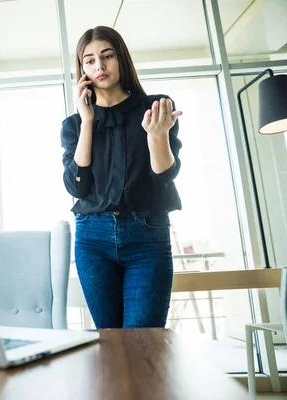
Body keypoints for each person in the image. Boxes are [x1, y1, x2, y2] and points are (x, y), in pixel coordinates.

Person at [60, 26, 183, 329]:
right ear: (82, 70)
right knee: (110, 341)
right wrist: (88, 121)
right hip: (93, 238)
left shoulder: (154, 107)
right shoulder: (74, 124)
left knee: (143, 340)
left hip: (147, 235)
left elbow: (165, 176)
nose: (99, 66)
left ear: (121, 58)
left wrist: (157, 136)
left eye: (107, 56)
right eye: (89, 61)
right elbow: (77, 185)